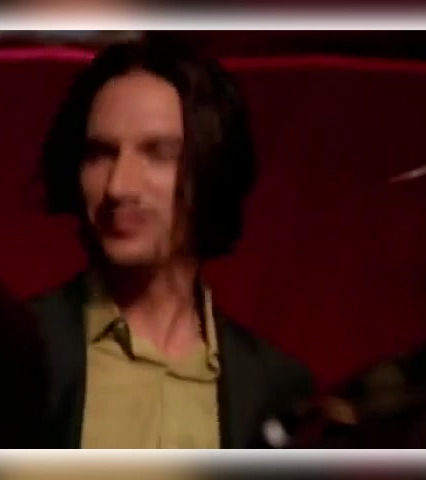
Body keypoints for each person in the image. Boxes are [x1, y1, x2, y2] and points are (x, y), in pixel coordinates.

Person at [22, 34, 314, 449]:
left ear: (213, 168)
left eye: (158, 152)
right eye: (100, 154)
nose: (119, 187)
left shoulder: (276, 389)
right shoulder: (9, 355)